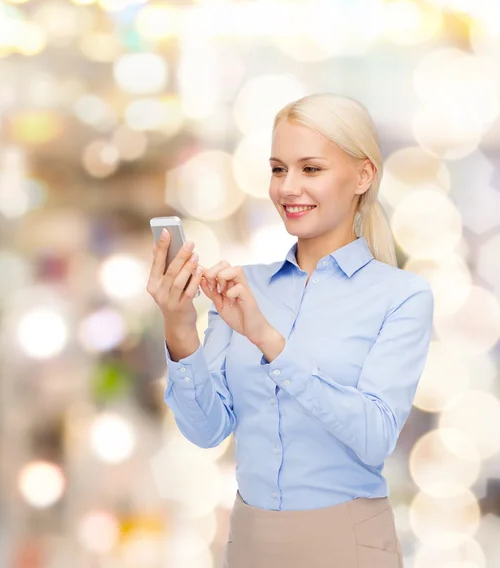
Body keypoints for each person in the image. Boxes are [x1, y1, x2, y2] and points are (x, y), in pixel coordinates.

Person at [146, 93, 434, 568]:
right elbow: (207, 431)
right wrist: (180, 329)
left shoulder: (402, 296)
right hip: (250, 540)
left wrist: (269, 341)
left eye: (311, 169)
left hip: (348, 543)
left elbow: (375, 435)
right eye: (279, 169)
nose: (288, 187)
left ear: (363, 176)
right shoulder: (243, 286)